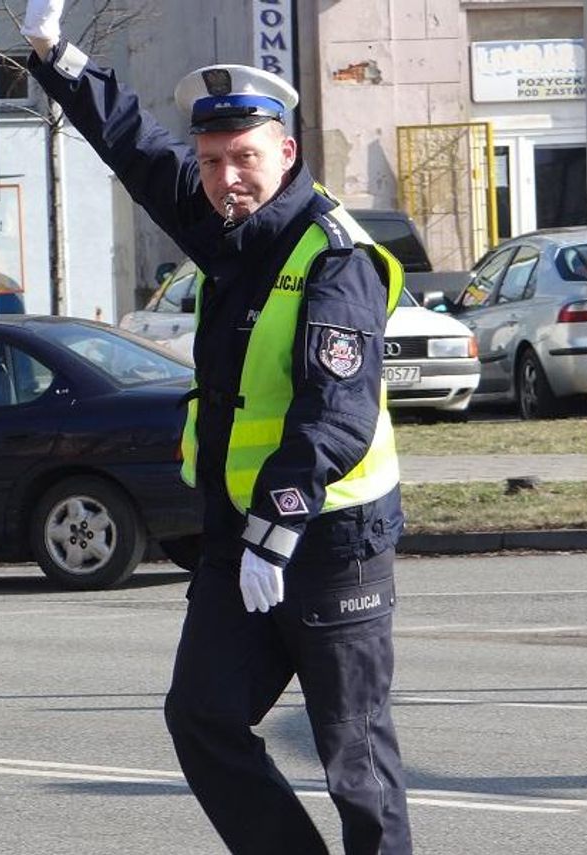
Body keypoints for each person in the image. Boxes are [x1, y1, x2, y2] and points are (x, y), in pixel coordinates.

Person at [22, 3, 413, 853]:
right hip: (243, 535)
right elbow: (135, 150)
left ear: (288, 153)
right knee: (202, 717)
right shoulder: (228, 232)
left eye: (244, 158)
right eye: (211, 161)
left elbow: (333, 411)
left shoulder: (334, 257)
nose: (224, 176)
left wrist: (281, 519)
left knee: (354, 754)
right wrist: (58, 59)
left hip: (331, 535)